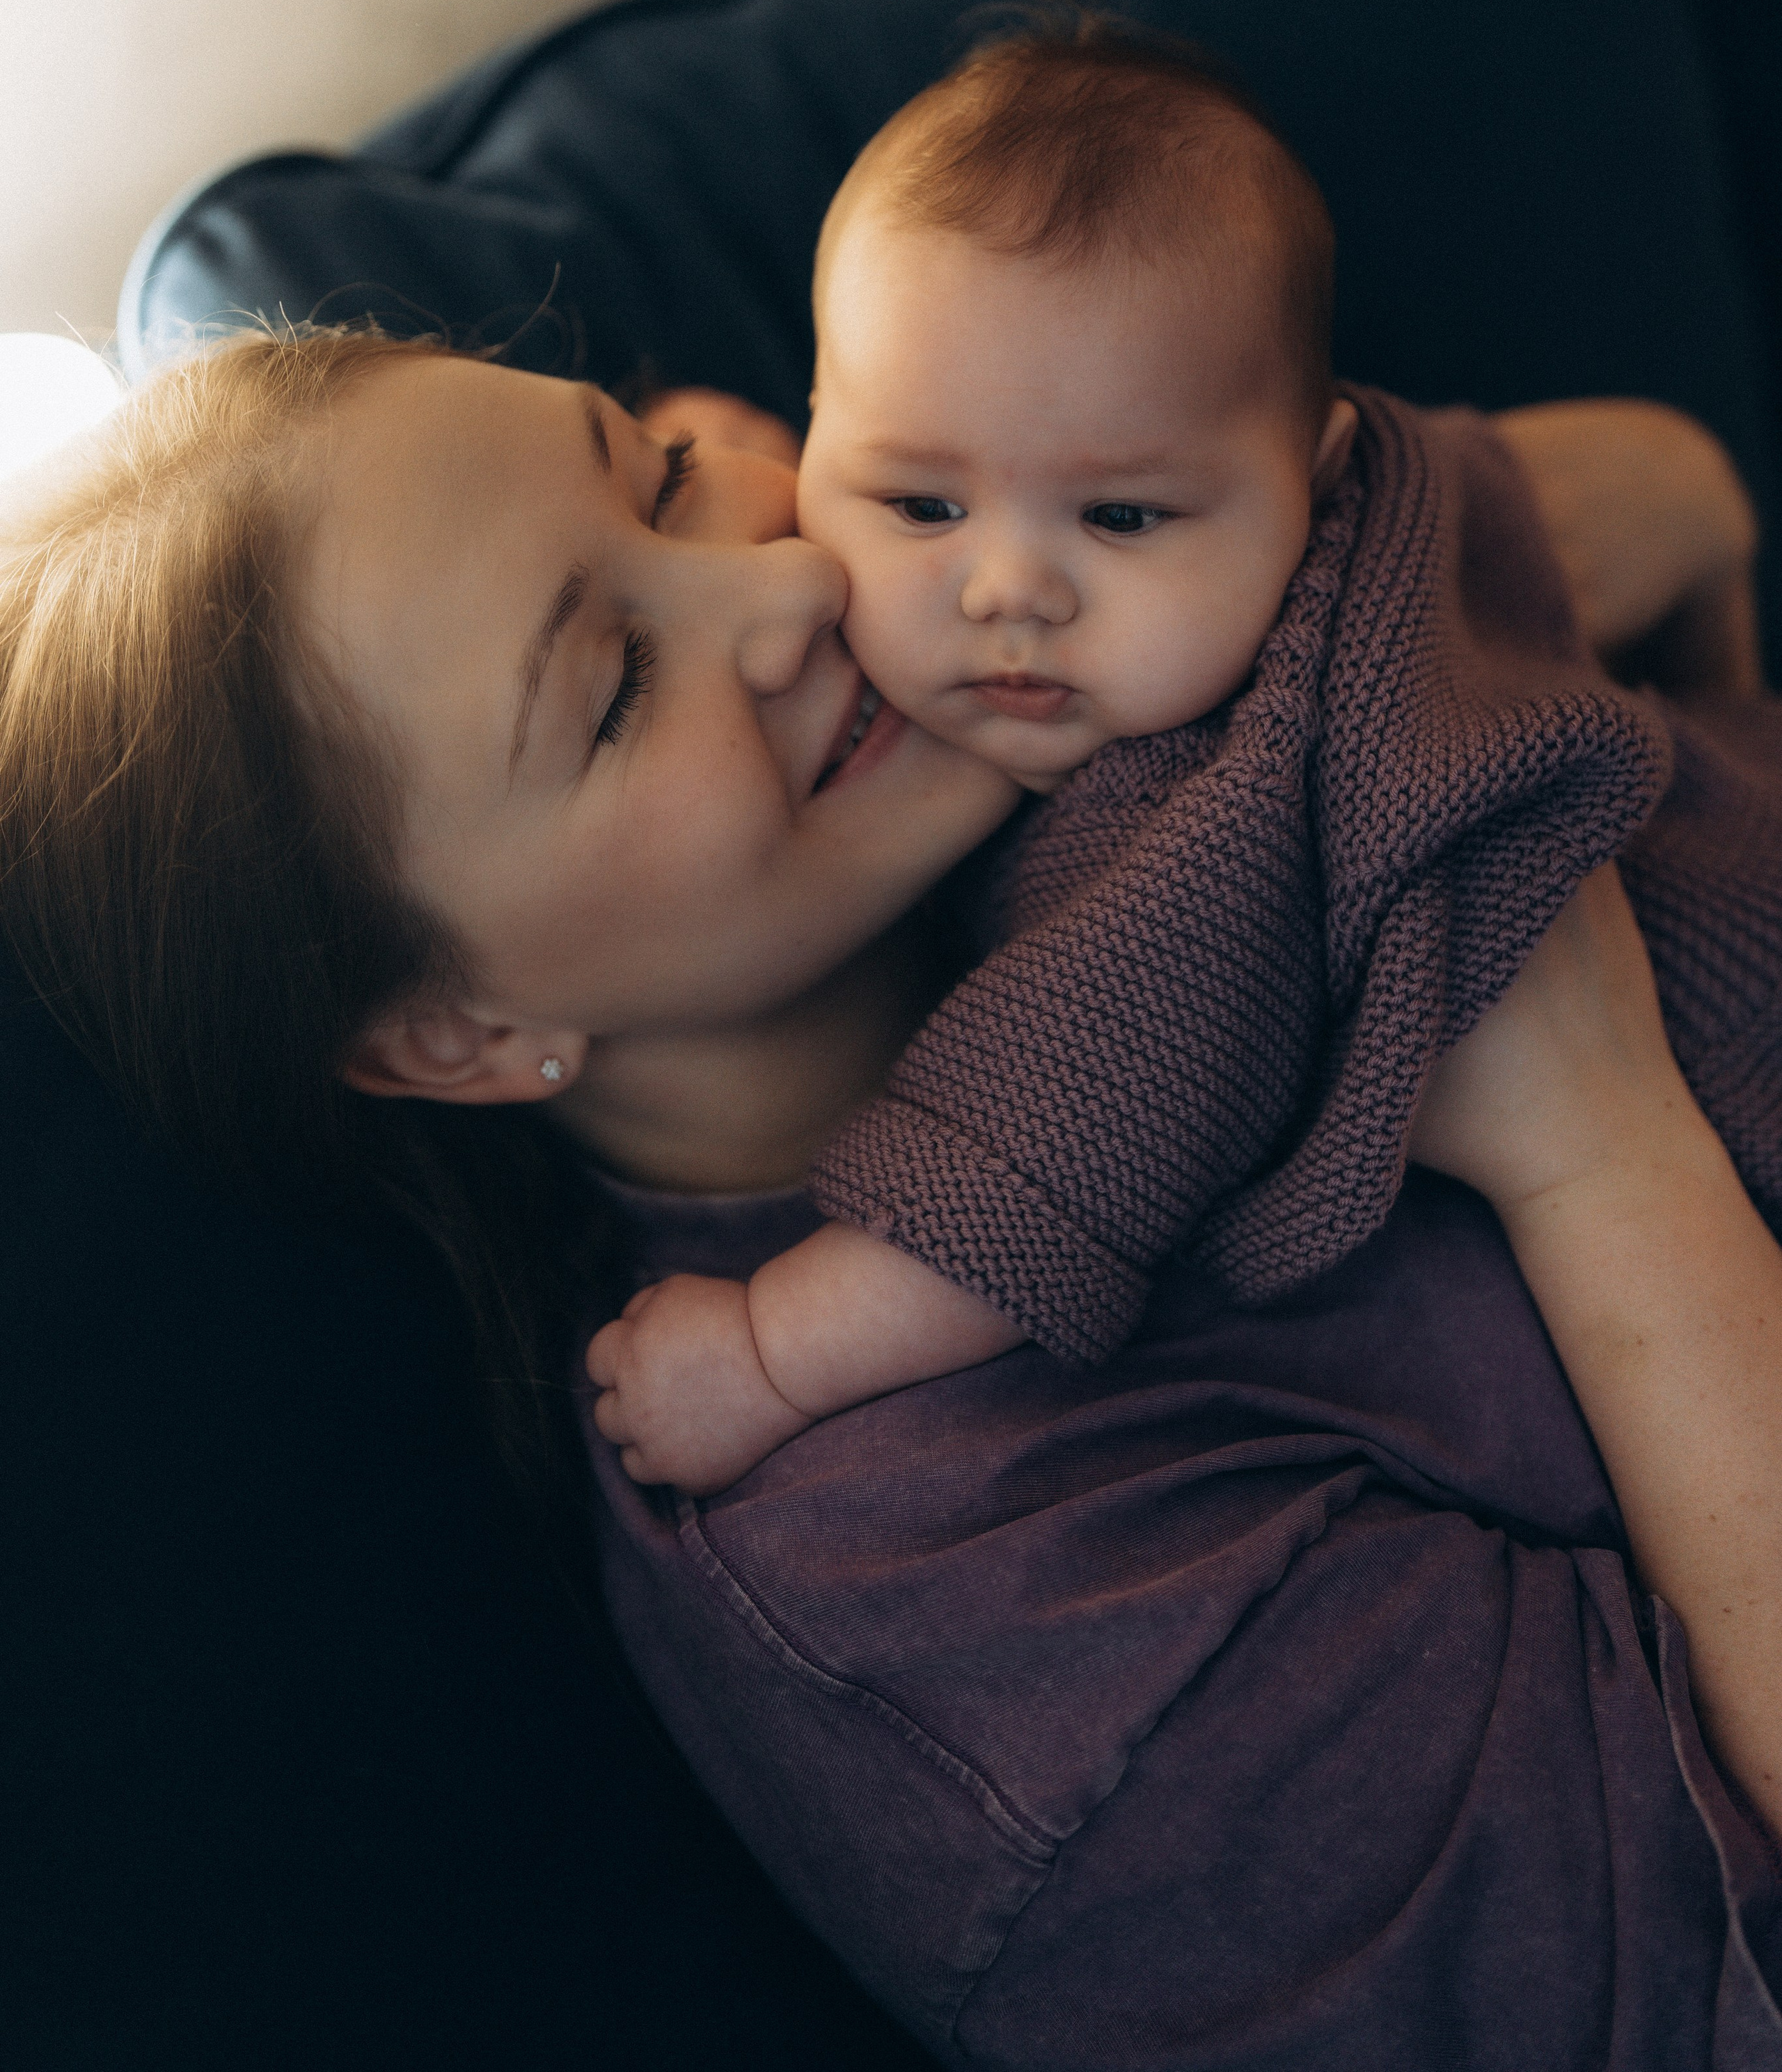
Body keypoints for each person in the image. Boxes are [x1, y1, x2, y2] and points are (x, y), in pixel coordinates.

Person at [2, 328, 1779, 2065]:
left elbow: (1637, 492)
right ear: (461, 1030)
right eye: (614, 686)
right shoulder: (964, 1615)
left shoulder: (1049, 642)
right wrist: (1600, 1156)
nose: (778, 593)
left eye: (671, 477)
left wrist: (1554, 517)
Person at [585, 25, 1780, 1522]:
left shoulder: (1206, 812)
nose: (1008, 589)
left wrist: (765, 1352)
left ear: (1313, 479)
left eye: (1126, 519)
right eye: (919, 498)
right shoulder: (1405, 497)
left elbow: (1037, 1169)